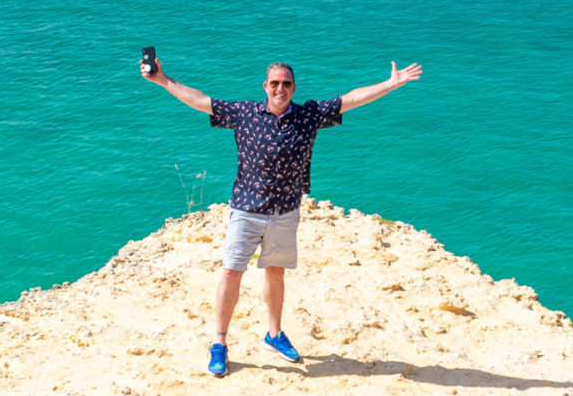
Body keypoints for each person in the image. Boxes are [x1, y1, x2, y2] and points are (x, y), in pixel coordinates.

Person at [142, 55, 422, 376]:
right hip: (246, 210)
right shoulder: (245, 113)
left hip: (286, 212)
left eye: (286, 84)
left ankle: (273, 335)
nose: (280, 88)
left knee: (276, 273)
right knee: (232, 273)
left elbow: (353, 98)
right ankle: (219, 343)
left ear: (293, 87)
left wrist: (392, 83)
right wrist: (163, 79)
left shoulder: (309, 115)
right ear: (265, 86)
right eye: (274, 83)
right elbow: (201, 100)